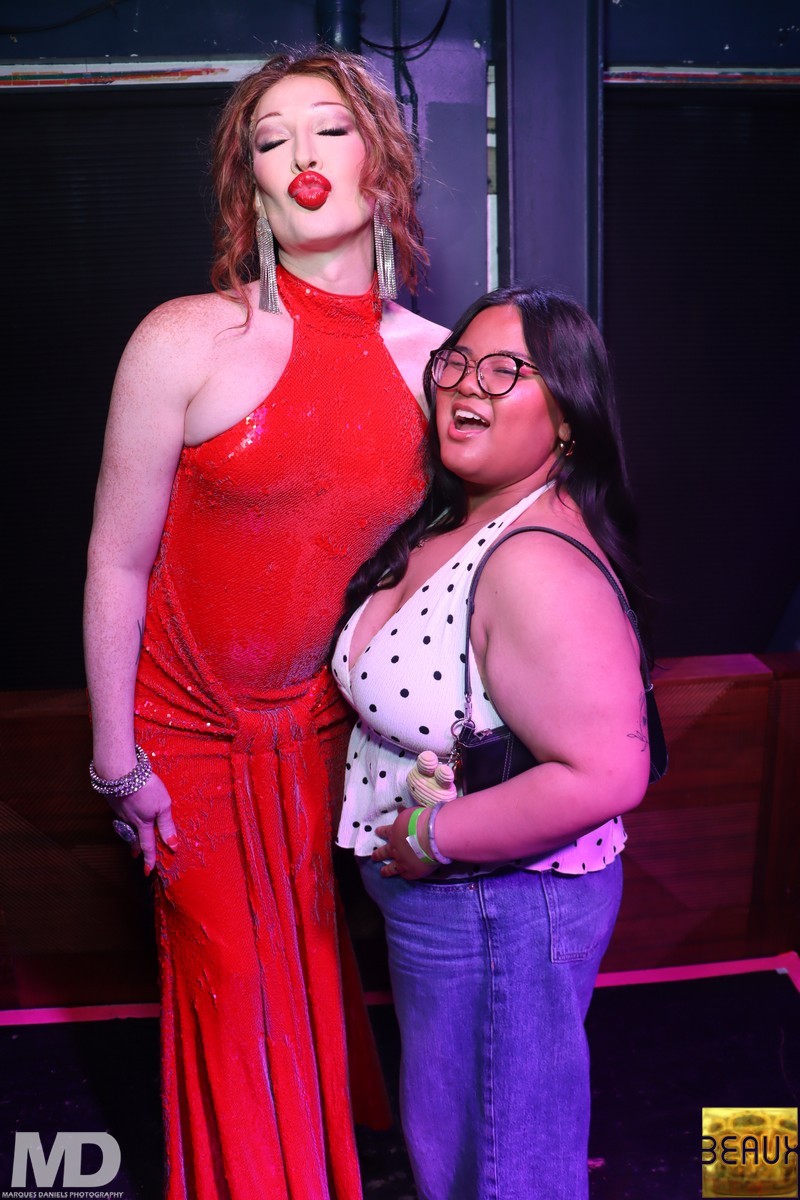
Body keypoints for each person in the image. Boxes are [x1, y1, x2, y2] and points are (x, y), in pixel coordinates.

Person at [83, 47, 447, 1200]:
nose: (300, 155)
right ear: (248, 183)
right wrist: (116, 762)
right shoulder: (184, 338)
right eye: (270, 138)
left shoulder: (439, 365)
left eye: (328, 128)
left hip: (326, 744)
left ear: (381, 162)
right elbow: (116, 560)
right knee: (235, 993)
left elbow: (440, 580)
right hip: (183, 740)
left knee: (310, 980)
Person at [333, 285, 652, 1199]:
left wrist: (433, 835)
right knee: (458, 1152)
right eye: (459, 362)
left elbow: (609, 771)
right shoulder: (460, 516)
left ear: (568, 421)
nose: (468, 383)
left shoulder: (534, 559)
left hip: (501, 907)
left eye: (508, 370)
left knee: (508, 1168)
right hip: (456, 908)